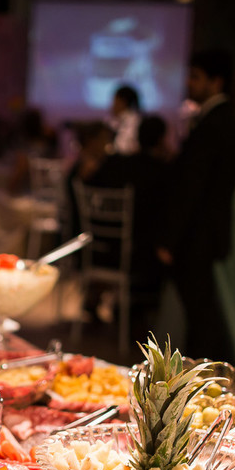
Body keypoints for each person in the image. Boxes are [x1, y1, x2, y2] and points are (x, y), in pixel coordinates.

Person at [158, 49, 235, 362]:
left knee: (201, 312)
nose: (189, 83)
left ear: (215, 81)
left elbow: (192, 187)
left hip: (198, 233)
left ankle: (202, 379)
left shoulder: (214, 123)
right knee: (201, 310)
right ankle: (204, 376)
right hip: (207, 230)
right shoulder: (222, 120)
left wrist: (169, 239)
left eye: (196, 76)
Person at [88, 114, 172, 342]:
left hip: (100, 249)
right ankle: (140, 315)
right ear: (162, 140)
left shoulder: (116, 164)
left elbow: (90, 187)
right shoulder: (164, 171)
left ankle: (98, 303)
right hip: (139, 257)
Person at [107, 84, 141, 155]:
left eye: (115, 101)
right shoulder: (114, 120)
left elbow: (124, 147)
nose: (112, 105)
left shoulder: (133, 120)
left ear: (123, 102)